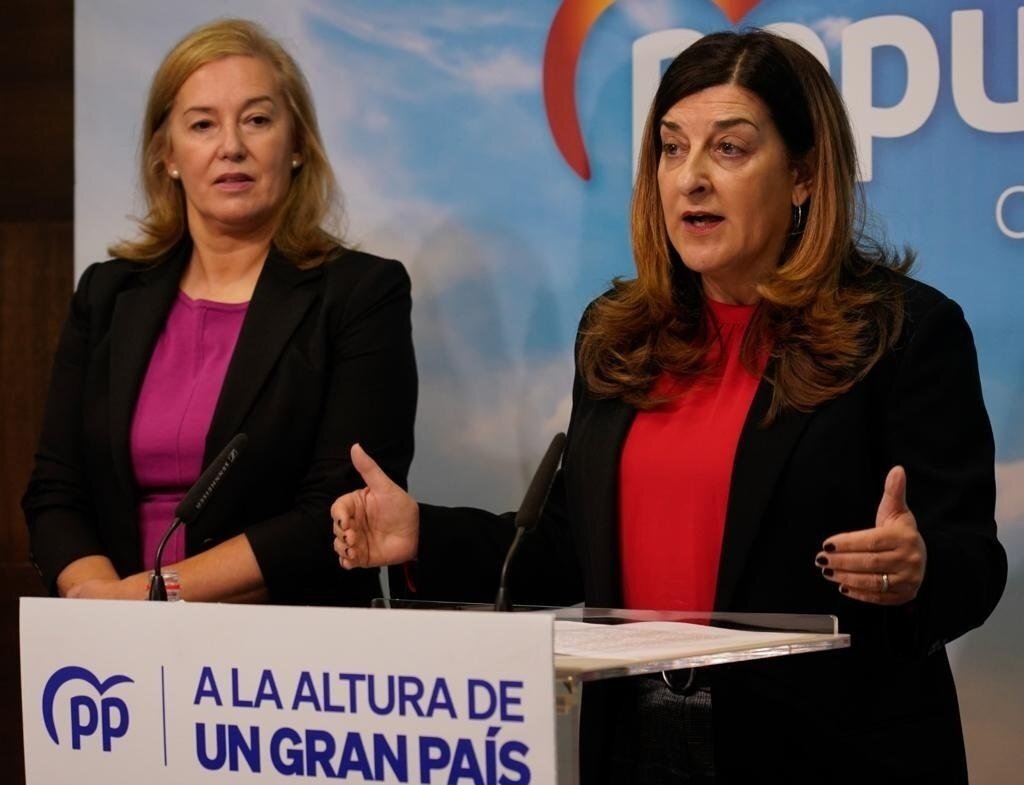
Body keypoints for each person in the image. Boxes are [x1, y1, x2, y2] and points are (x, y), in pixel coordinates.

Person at [332, 29, 1005, 785]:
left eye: (729, 149)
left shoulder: (902, 332)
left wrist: (918, 569)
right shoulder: (617, 336)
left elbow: (974, 564)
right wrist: (422, 535)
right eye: (672, 148)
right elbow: (568, 548)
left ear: (804, 175)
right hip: (633, 737)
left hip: (822, 748)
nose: (691, 179)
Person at [22, 18, 416, 607]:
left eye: (257, 120)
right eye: (203, 124)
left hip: (286, 640)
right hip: (113, 635)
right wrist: (98, 600)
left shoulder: (361, 293)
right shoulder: (107, 295)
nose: (231, 145)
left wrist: (152, 597)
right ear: (168, 155)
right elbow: (57, 489)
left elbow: (338, 512)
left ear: (298, 145)